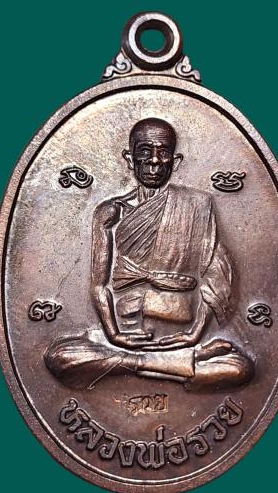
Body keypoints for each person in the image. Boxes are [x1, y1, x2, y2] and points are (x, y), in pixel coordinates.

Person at [45, 118, 254, 391]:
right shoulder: (111, 212)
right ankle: (173, 364)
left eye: (163, 152)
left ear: (175, 161)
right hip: (123, 334)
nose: (154, 161)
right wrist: (114, 335)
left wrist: (194, 335)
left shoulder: (197, 206)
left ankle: (138, 364)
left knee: (240, 368)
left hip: (181, 335)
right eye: (144, 152)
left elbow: (216, 278)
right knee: (60, 358)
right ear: (129, 159)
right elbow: (98, 285)